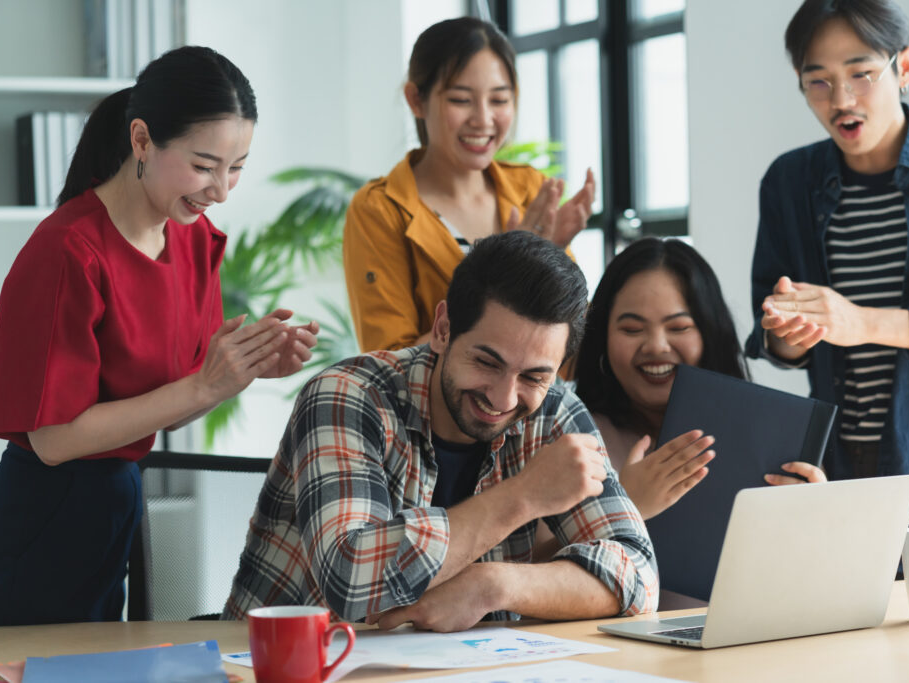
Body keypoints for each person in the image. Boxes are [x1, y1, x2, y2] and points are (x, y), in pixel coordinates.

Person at [0, 46, 319, 626]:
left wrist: (240, 371)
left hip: (117, 501)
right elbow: (54, 440)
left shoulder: (195, 241)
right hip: (45, 512)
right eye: (204, 164)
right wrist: (202, 386)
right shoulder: (68, 251)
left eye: (236, 166)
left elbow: (169, 411)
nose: (221, 189)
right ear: (142, 141)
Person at [223, 231, 658, 632]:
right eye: (487, 362)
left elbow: (639, 577)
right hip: (286, 665)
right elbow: (351, 579)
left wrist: (494, 585)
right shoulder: (349, 395)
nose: (504, 398)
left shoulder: (555, 413)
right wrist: (523, 496)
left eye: (534, 376)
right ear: (443, 329)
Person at [746, 0, 909, 571]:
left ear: (905, 67)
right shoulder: (789, 183)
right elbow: (774, 334)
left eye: (861, 74)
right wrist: (791, 330)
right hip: (836, 473)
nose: (841, 100)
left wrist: (859, 321)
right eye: (818, 81)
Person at [343, 16, 595, 352]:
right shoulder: (380, 209)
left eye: (499, 100)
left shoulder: (529, 189)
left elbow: (573, 341)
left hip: (542, 401)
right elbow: (390, 360)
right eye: (461, 100)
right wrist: (516, 276)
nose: (483, 119)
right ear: (416, 100)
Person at [574, 238, 825, 524]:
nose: (656, 346)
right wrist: (626, 508)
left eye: (679, 327)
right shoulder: (572, 436)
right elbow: (535, 559)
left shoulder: (772, 440)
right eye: (632, 329)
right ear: (601, 337)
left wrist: (816, 515)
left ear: (710, 333)